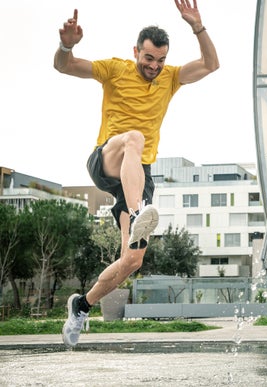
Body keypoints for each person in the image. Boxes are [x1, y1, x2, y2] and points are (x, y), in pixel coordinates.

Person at [54, 0, 219, 347]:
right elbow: (64, 67)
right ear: (136, 52)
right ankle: (139, 210)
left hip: (138, 175)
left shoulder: (171, 78)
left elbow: (211, 64)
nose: (155, 66)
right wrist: (66, 45)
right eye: (148, 59)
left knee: (131, 261)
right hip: (107, 159)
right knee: (135, 138)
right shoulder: (114, 69)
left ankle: (82, 306)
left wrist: (197, 27)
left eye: (160, 60)